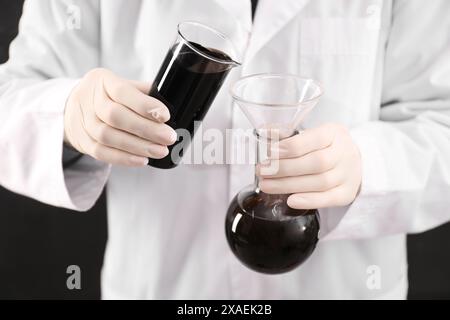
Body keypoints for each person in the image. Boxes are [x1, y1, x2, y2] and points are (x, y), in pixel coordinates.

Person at [0, 0, 449, 300]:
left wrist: (367, 165)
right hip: (164, 284)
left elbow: (440, 119)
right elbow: (12, 100)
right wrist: (67, 113)